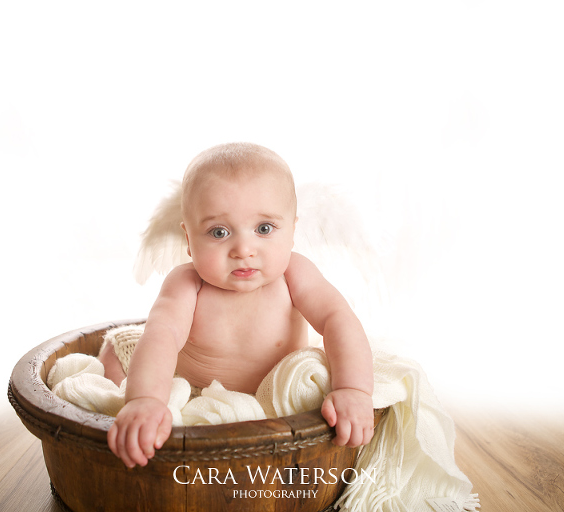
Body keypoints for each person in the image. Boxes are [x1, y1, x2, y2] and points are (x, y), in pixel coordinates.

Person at [100, 142, 374, 469]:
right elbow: (162, 335)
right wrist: (144, 399)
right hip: (192, 388)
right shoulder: (187, 283)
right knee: (116, 354)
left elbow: (337, 319)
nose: (243, 249)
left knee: (330, 370)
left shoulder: (295, 273)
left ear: (292, 231)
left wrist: (353, 389)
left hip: (276, 392)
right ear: (189, 240)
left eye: (264, 229)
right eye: (219, 232)